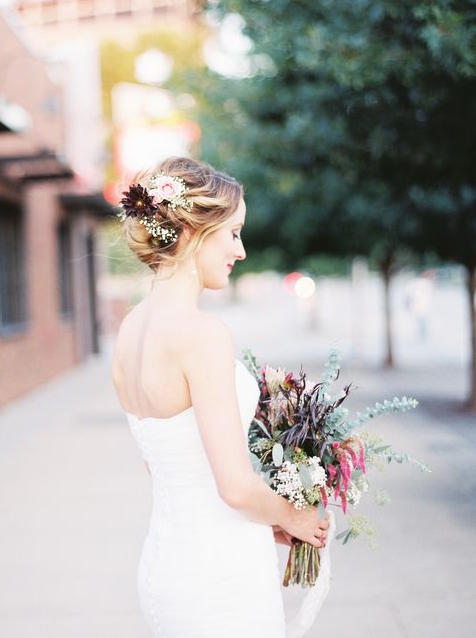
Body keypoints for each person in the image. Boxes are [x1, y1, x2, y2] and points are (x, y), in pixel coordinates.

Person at [112, 156, 330, 637]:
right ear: (191, 231)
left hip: (166, 568)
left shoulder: (130, 330)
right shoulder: (202, 334)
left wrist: (266, 516)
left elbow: (165, 465)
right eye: (233, 233)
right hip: (218, 577)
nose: (243, 250)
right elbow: (233, 486)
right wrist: (297, 517)